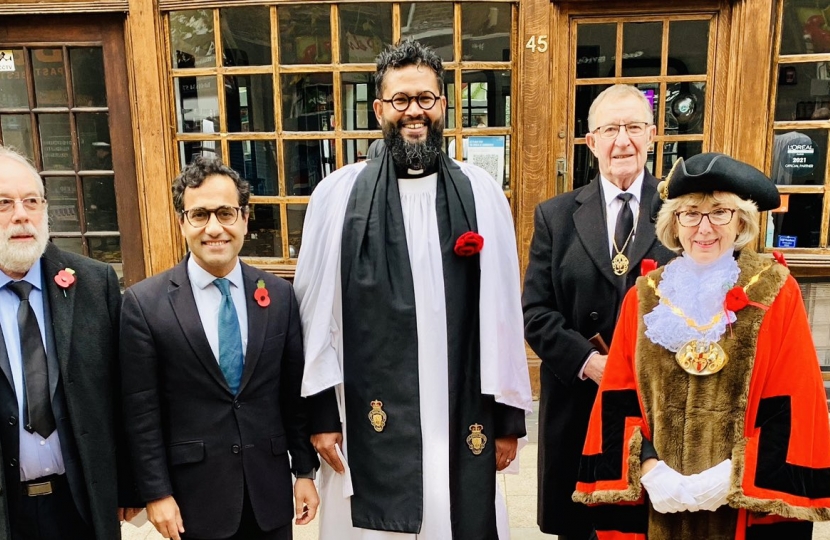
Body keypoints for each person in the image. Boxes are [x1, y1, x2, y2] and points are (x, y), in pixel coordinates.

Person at [294, 38, 532, 539]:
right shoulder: (336, 196)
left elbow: (504, 313)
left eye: (425, 98)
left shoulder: (480, 192)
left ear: (443, 104)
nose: (414, 111)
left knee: (454, 511)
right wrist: (320, 416)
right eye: (400, 99)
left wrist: (508, 419)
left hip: (457, 404)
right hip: (363, 410)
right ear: (379, 109)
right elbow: (312, 315)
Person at [574, 152, 830, 539]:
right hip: (660, 502)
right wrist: (649, 470)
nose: (704, 228)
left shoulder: (775, 290)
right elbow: (617, 398)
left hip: (740, 507)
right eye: (690, 213)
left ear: (741, 220)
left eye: (720, 213)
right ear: (674, 222)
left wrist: (732, 476)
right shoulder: (644, 296)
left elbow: (794, 401)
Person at [120, 156, 319, 540]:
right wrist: (156, 493)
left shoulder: (279, 296)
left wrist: (305, 472)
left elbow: (292, 396)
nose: (214, 228)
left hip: (269, 495)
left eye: (226, 213)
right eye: (199, 215)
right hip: (193, 501)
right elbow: (141, 411)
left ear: (244, 219)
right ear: (182, 222)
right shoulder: (145, 304)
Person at [522, 84, 676, 539]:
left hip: (656, 406)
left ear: (651, 135)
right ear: (591, 142)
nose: (622, 141)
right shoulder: (556, 215)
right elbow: (535, 311)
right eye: (610, 130)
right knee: (581, 527)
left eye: (633, 128)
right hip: (578, 405)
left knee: (648, 525)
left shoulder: (681, 214)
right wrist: (590, 363)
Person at [0, 145, 141, 539]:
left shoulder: (94, 283)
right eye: (4, 203)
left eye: (31, 201)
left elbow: (124, 391)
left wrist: (129, 485)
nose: (21, 215)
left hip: (80, 504)